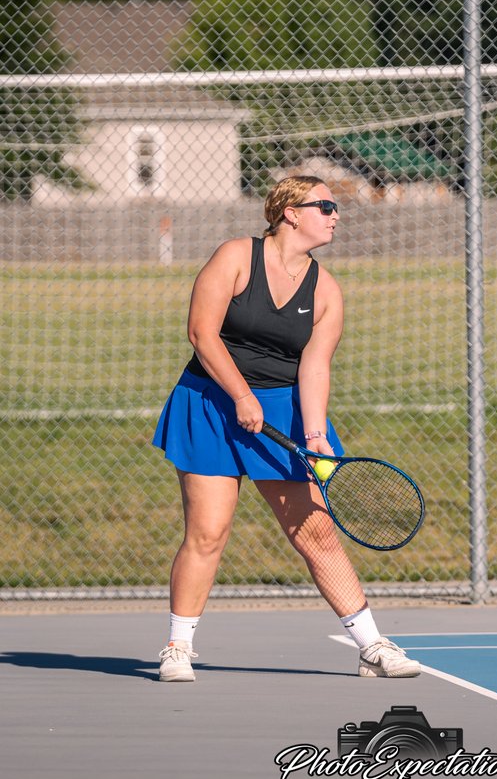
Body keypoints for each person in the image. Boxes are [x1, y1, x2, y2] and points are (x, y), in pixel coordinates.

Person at [152, 175, 420, 682]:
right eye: (325, 206)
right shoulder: (235, 256)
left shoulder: (326, 289)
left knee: (315, 532)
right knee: (208, 532)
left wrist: (315, 433)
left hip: (283, 410)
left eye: (335, 207)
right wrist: (240, 395)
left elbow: (315, 366)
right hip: (210, 402)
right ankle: (177, 648)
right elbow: (200, 333)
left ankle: (371, 646)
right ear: (289, 212)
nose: (335, 214)